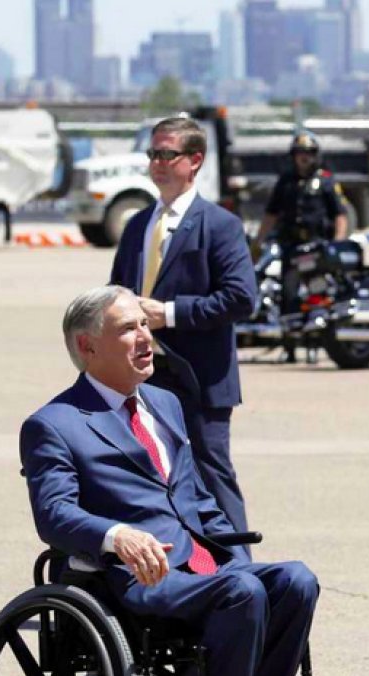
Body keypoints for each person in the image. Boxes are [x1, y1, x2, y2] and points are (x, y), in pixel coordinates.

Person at [20, 285, 319, 676]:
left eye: (145, 325)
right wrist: (116, 535)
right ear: (88, 347)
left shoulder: (166, 403)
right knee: (243, 593)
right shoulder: (55, 423)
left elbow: (198, 501)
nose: (146, 339)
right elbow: (54, 515)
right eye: (128, 330)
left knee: (295, 581)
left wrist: (232, 556)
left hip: (203, 566)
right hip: (140, 578)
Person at [110, 116, 257, 534]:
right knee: (143, 474)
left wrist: (168, 313)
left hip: (199, 376)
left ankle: (239, 572)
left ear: (195, 160)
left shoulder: (220, 225)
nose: (157, 163)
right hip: (143, 375)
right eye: (153, 154)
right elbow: (117, 289)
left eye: (167, 154)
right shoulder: (139, 225)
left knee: (212, 474)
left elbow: (241, 297)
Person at [253, 130, 349, 363]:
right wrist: (258, 241)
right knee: (289, 295)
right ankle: (289, 346)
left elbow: (340, 215)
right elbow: (271, 214)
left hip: (317, 248)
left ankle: (314, 345)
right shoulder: (285, 182)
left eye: (308, 153)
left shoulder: (326, 181)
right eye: (300, 153)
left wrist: (337, 243)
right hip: (292, 248)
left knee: (316, 295)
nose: (304, 157)